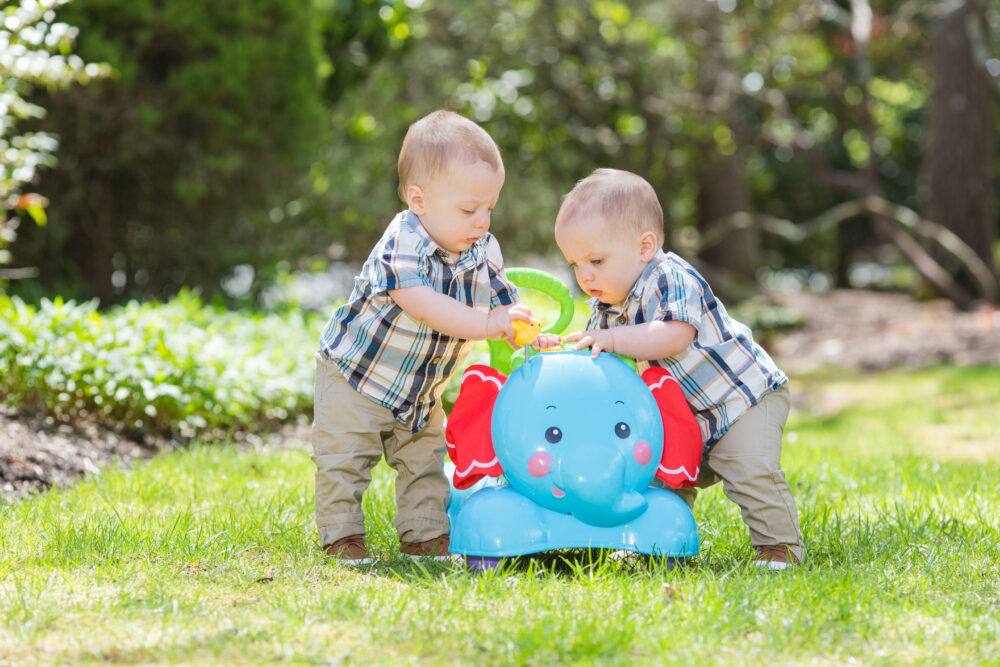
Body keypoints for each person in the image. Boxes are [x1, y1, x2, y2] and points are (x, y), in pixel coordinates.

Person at [534, 168, 804, 569]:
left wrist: (611, 339)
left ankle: (778, 547)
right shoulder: (606, 308)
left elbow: (675, 334)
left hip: (741, 401)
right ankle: (658, 543)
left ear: (645, 246)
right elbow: (598, 365)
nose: (584, 275)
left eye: (596, 260)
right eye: (574, 264)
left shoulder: (670, 276)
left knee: (749, 468)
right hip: (682, 419)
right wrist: (556, 349)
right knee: (655, 477)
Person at [313, 110, 531, 564]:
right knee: (344, 461)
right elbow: (426, 305)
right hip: (357, 377)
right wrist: (486, 325)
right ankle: (342, 535)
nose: (483, 221)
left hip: (420, 390)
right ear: (419, 200)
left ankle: (425, 536)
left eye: (490, 208)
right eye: (469, 210)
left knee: (426, 461)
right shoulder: (402, 242)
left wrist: (520, 328)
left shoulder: (482, 249)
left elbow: (502, 302)